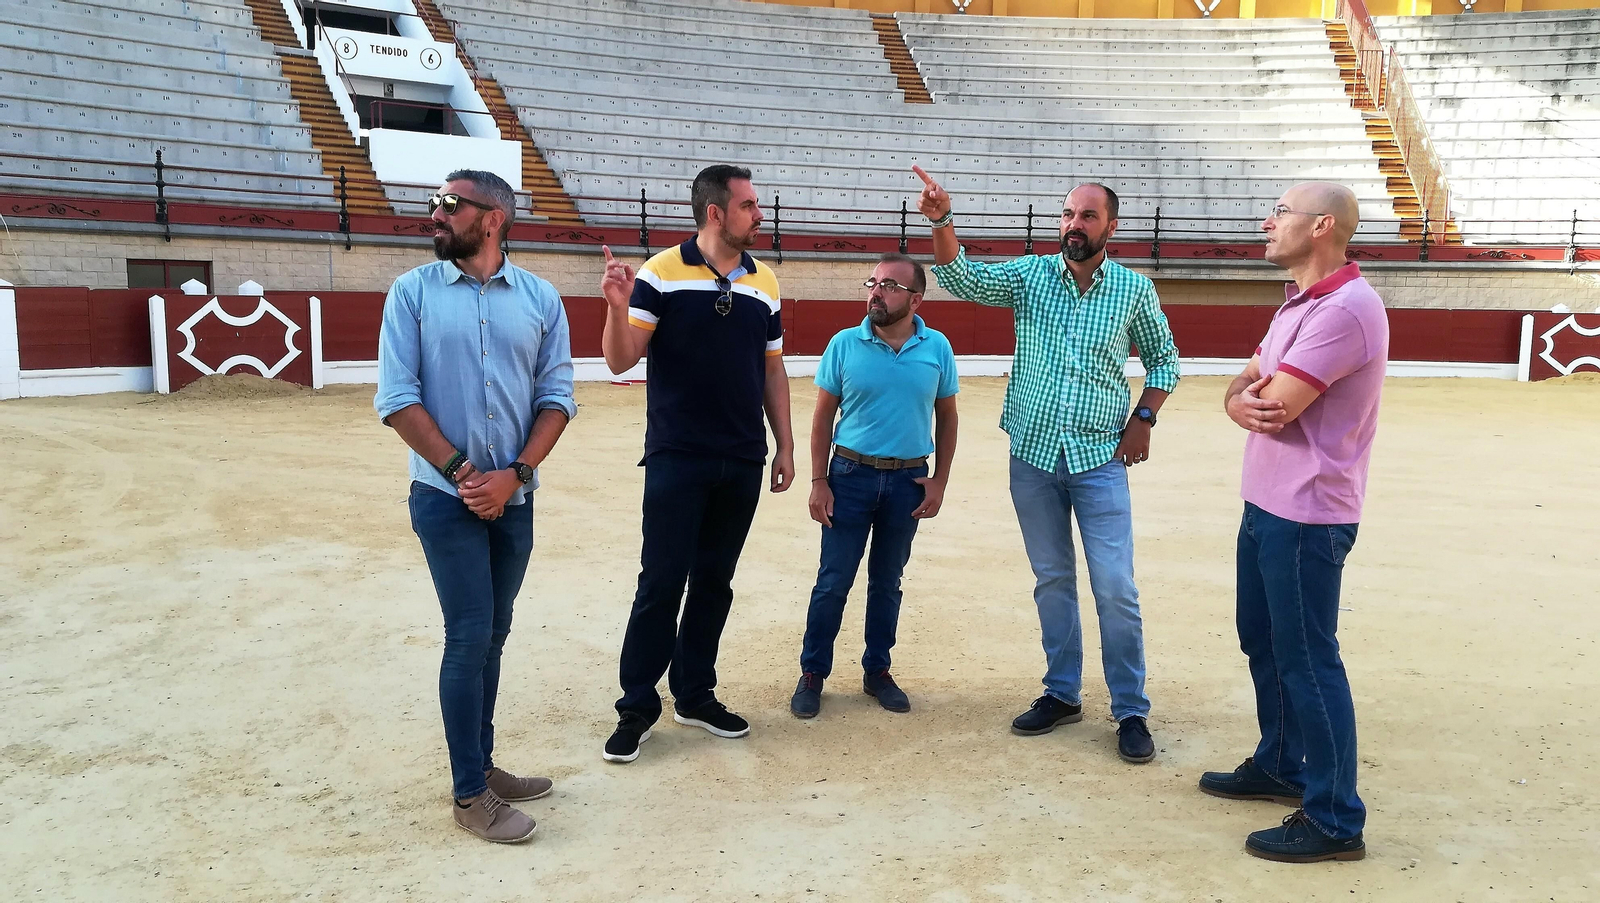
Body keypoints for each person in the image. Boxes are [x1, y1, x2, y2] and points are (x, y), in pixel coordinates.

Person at [914, 165, 1180, 764]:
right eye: (1067, 214)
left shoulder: (1134, 290)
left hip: (1098, 457)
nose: (1074, 225)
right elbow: (960, 276)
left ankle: (1130, 708)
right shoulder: (1032, 274)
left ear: (1111, 225)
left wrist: (1144, 419)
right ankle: (1061, 692)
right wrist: (941, 221)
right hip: (1032, 454)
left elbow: (1165, 363)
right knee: (1052, 579)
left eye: (1087, 216)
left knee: (1115, 587)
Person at [374, 169, 576, 843]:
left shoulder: (542, 298)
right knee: (468, 633)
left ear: (493, 218)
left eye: (450, 204)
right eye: (438, 202)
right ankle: (469, 794)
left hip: (513, 498)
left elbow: (557, 399)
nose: (437, 212)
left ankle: (482, 767)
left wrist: (514, 476)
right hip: (443, 495)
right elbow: (397, 400)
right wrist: (465, 473)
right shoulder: (412, 293)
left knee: (494, 632)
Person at [1201, 182, 1387, 863]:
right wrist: (1236, 399)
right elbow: (1241, 385)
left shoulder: (1346, 308)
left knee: (1308, 660)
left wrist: (1246, 397)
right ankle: (1281, 760)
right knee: (1266, 641)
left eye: (1281, 212)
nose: (1267, 222)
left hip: (1309, 512)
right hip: (1269, 502)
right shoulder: (1299, 306)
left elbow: (1276, 404)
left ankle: (1336, 817)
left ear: (1322, 226)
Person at [596, 164, 795, 763]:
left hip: (741, 458)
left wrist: (784, 445)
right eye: (750, 205)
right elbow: (621, 359)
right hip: (678, 457)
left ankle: (694, 693)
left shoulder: (766, 282)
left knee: (714, 583)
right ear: (716, 212)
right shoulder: (660, 273)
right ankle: (636, 707)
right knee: (660, 582)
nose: (759, 215)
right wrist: (614, 305)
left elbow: (772, 369)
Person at [790, 253, 960, 719]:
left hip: (908, 480)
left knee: (888, 583)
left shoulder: (936, 346)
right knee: (833, 581)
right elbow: (824, 415)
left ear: (915, 298)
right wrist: (819, 480)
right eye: (874, 283)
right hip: (849, 477)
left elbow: (947, 416)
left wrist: (939, 482)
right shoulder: (845, 343)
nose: (876, 292)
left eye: (890, 286)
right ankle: (812, 673)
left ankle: (877, 671)